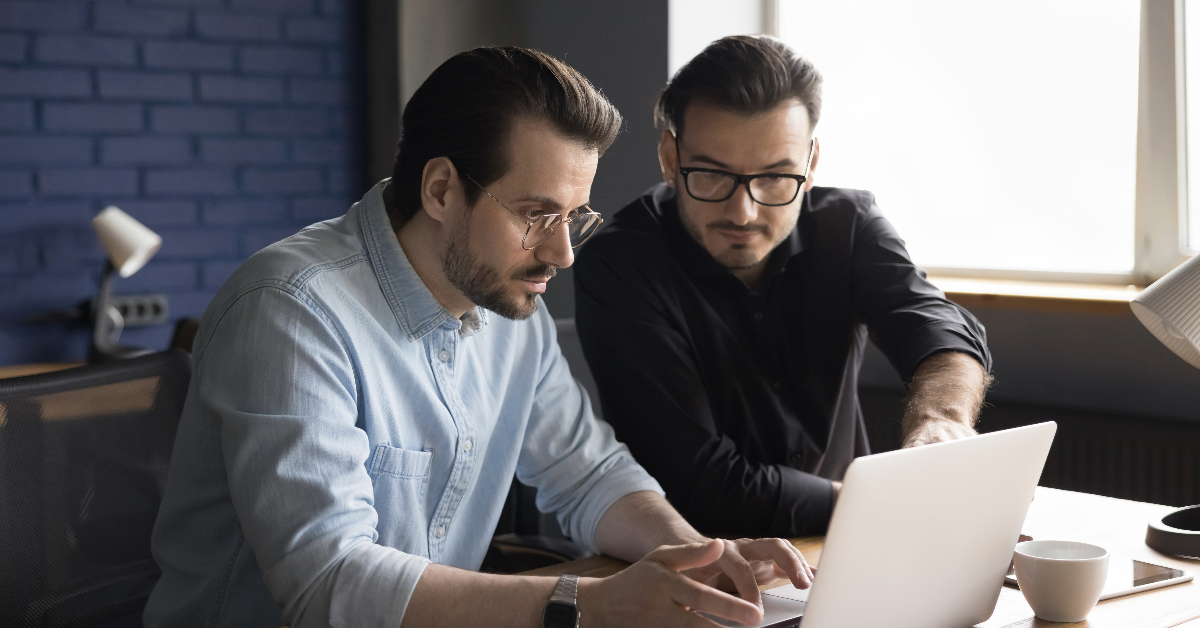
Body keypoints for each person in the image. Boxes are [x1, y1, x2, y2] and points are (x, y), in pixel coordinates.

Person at [144, 46, 815, 628]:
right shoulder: (291, 311)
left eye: (573, 217)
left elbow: (588, 473)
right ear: (441, 190)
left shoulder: (508, 307)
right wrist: (589, 604)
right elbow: (328, 583)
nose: (562, 253)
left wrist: (698, 556)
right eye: (536, 214)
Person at [573, 35, 993, 539]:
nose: (743, 212)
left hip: (847, 543)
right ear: (669, 157)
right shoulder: (620, 264)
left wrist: (942, 419)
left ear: (810, 164)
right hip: (696, 559)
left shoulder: (849, 224)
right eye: (712, 174)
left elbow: (938, 328)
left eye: (775, 177)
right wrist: (879, 503)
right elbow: (701, 484)